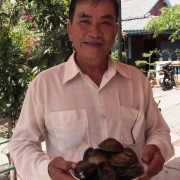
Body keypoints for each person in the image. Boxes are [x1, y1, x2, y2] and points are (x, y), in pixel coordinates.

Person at [8, 0, 174, 179]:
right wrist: (45, 169)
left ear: (116, 31)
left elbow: (159, 131)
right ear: (70, 30)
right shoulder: (44, 85)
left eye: (105, 22)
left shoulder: (137, 81)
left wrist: (158, 148)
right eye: (85, 21)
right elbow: (21, 143)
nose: (95, 32)